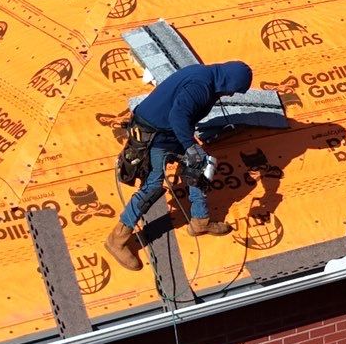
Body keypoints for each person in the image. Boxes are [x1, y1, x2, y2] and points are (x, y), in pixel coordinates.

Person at [108, 59, 255, 270]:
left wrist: (192, 150)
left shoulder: (210, 79)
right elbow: (178, 116)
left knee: (199, 167)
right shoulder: (200, 86)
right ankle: (117, 238)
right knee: (153, 186)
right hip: (154, 135)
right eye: (233, 91)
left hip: (169, 130)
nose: (231, 95)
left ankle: (200, 220)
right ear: (228, 82)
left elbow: (184, 116)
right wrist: (189, 146)